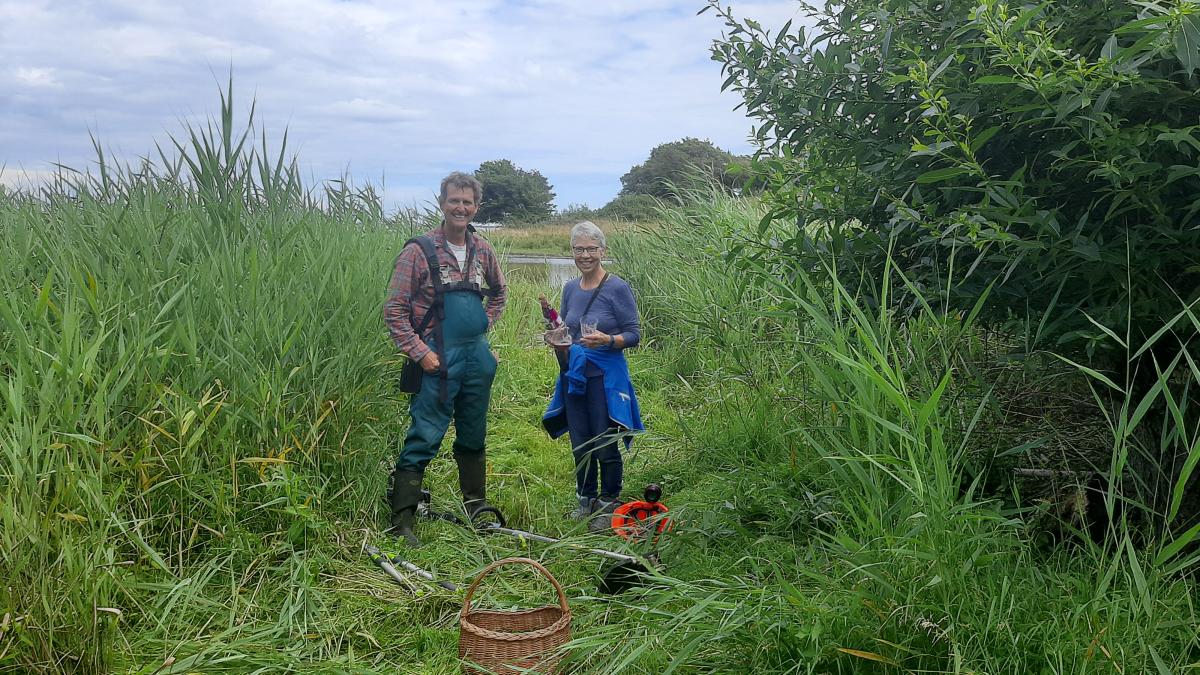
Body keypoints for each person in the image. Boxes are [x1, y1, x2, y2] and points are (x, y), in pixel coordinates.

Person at [383, 172, 507, 547]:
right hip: (437, 360)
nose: (461, 207)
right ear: (442, 203)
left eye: (468, 202)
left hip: (476, 360)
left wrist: (482, 327)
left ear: (476, 207)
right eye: (455, 200)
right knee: (425, 433)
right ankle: (403, 521)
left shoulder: (483, 250)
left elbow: (499, 295)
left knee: (474, 433)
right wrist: (422, 355)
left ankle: (477, 509)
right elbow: (394, 311)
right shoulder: (418, 251)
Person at [543, 221, 643, 531]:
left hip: (605, 376)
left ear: (602, 250)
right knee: (580, 441)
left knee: (604, 441)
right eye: (579, 249)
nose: (585, 255)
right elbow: (567, 330)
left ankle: (609, 502)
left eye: (591, 248)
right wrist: (556, 336)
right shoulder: (570, 288)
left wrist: (608, 340)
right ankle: (585, 499)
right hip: (575, 374)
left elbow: (634, 335)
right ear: (572, 252)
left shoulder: (617, 287)